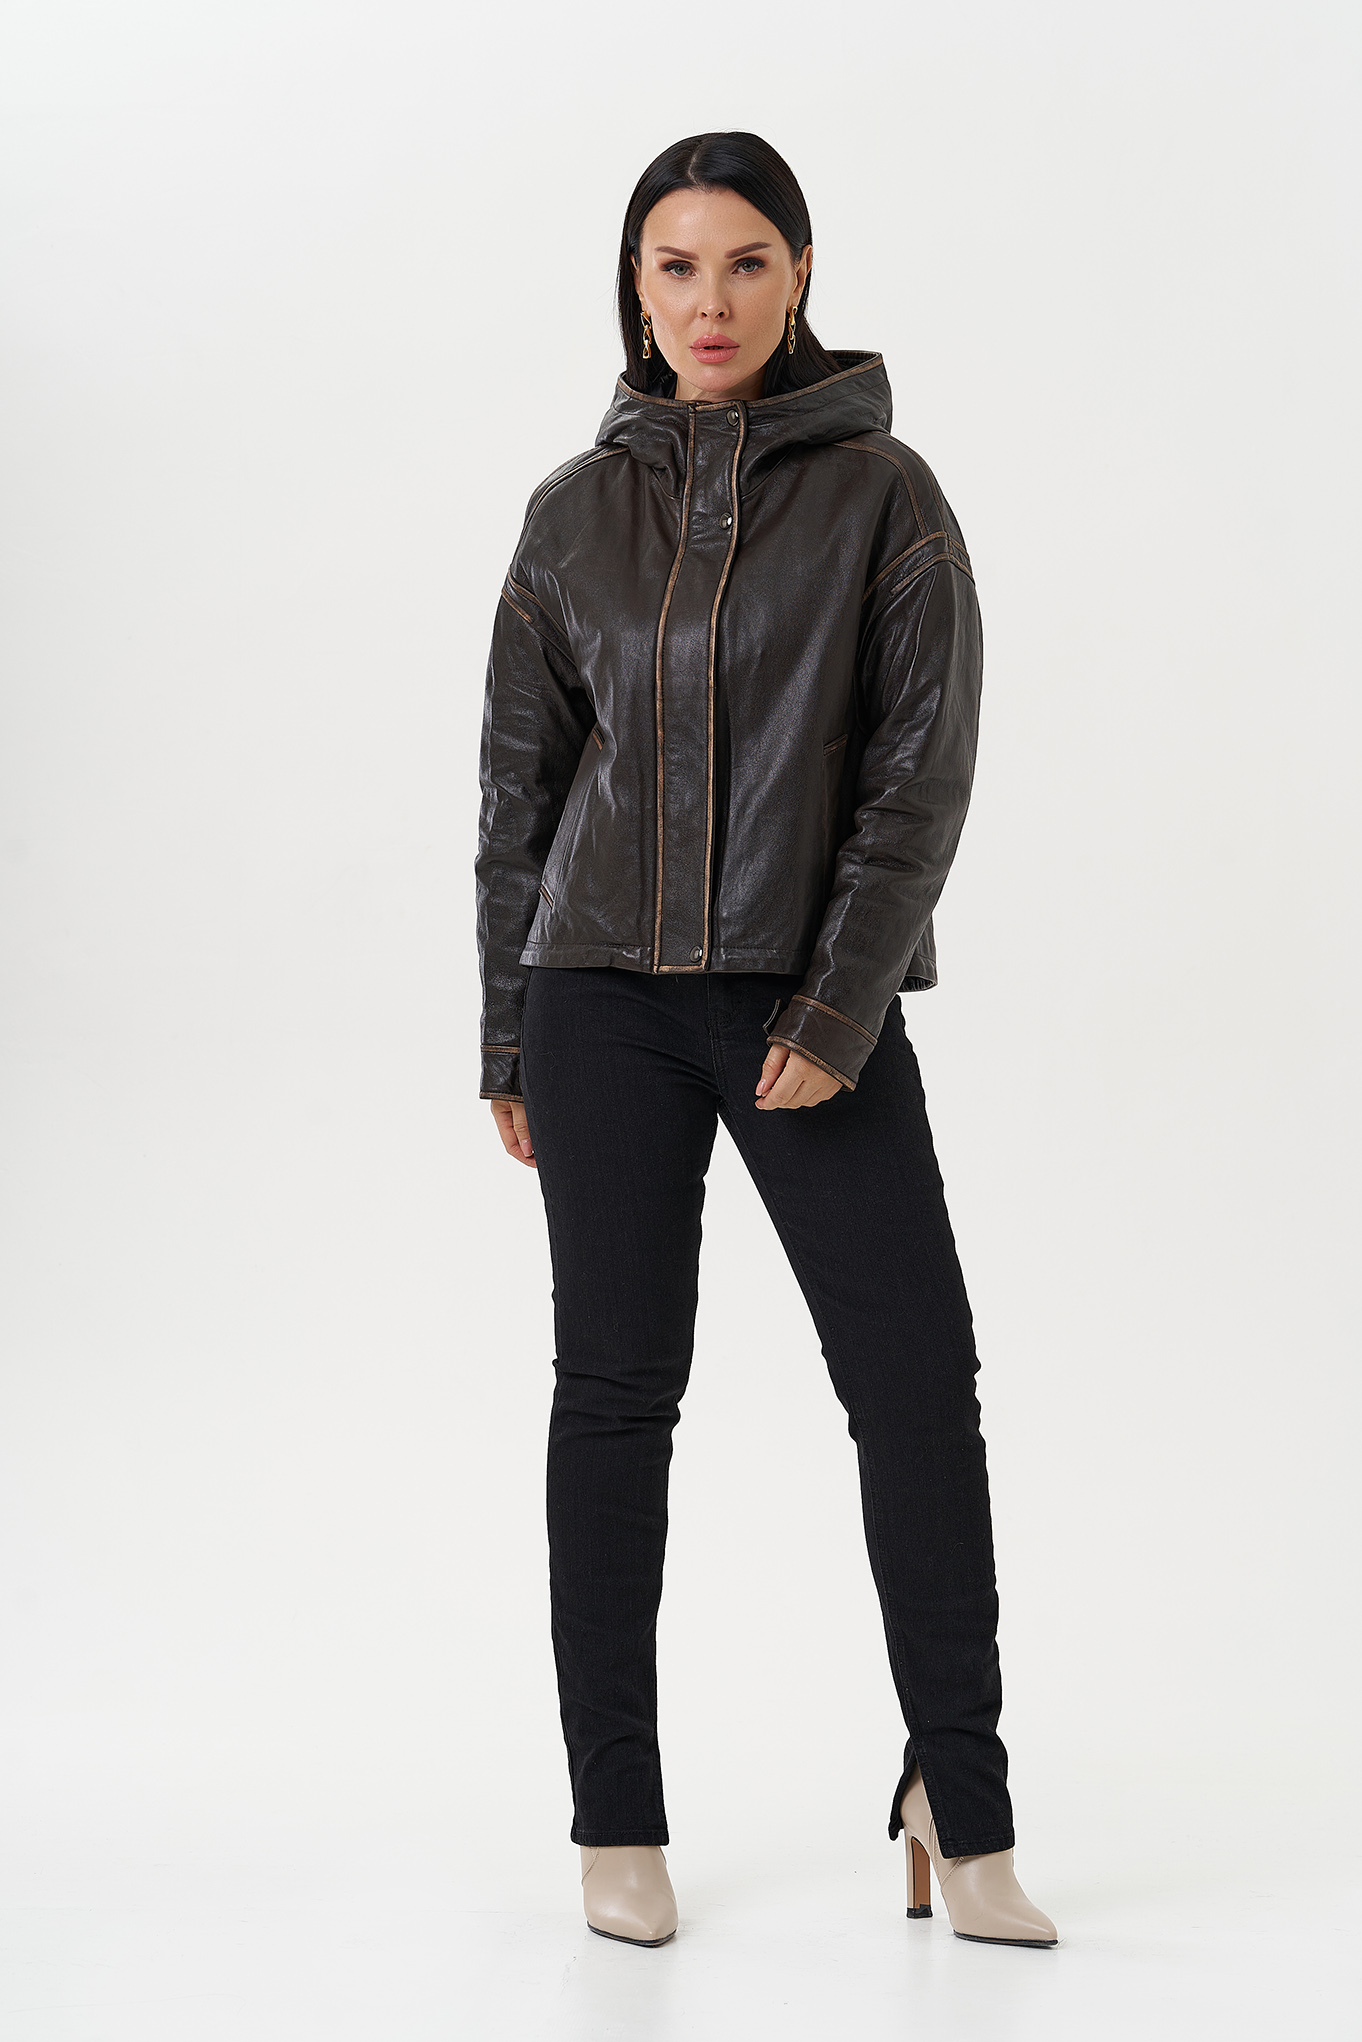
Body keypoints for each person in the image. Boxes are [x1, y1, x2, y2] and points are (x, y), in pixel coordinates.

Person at [474, 130, 1058, 1952]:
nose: (707, 301)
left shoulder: (887, 496)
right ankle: (614, 1810)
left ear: (799, 272)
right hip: (596, 997)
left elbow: (918, 777)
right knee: (613, 1391)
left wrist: (835, 1003)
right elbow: (516, 795)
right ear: (633, 286)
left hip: (808, 1000)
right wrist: (508, 1031)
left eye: (743, 262)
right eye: (674, 266)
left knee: (914, 1384)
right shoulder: (571, 514)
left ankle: (961, 1802)